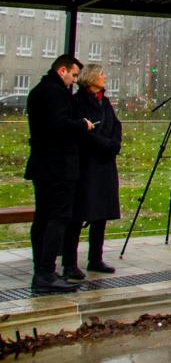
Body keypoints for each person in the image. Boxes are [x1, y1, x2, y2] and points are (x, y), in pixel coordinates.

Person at [24, 54, 92, 294]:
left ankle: (42, 270)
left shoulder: (39, 91)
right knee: (57, 216)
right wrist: (83, 125)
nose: (74, 81)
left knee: (43, 216)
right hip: (58, 165)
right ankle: (45, 272)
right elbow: (60, 125)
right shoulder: (53, 93)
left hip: (44, 165)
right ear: (62, 71)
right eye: (73, 75)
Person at [62, 64, 123, 278]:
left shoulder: (104, 101)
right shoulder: (78, 102)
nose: (105, 77)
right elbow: (82, 131)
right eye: (102, 74)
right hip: (87, 164)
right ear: (91, 78)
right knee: (79, 213)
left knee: (101, 214)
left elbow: (116, 125)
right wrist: (105, 144)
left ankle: (95, 258)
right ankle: (69, 263)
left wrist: (114, 143)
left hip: (105, 164)